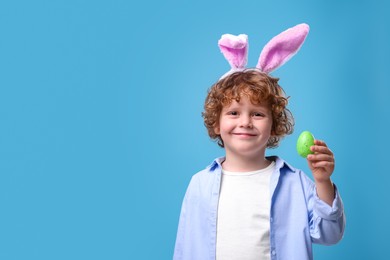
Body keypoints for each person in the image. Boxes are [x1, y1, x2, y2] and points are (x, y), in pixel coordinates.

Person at [173, 24, 345, 260]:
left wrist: (323, 182)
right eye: (233, 113)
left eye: (257, 114)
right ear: (216, 123)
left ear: (274, 125)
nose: (245, 122)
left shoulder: (296, 183)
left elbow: (330, 234)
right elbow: (186, 249)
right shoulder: (199, 185)